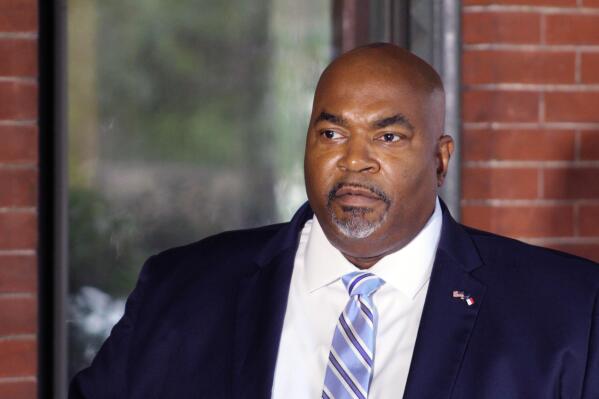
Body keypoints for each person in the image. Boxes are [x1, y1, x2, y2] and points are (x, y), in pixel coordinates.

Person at [69, 43, 599, 399]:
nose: (353, 160)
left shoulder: (566, 311)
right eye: (331, 133)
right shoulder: (181, 288)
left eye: (388, 137)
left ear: (440, 160)